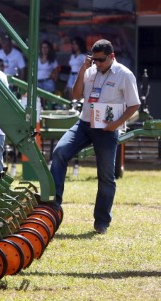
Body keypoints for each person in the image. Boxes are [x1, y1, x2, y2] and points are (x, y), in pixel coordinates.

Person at [50, 39, 140, 234]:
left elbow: (134, 105)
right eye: (94, 59)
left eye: (101, 60)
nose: (97, 64)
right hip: (84, 124)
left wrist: (115, 125)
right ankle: (54, 205)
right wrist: (83, 70)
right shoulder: (90, 71)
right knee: (59, 153)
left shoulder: (124, 74)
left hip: (107, 130)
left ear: (111, 56)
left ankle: (101, 222)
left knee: (106, 176)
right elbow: (75, 95)